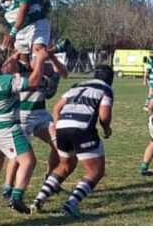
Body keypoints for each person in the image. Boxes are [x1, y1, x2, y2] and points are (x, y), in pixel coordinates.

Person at [0, 50, 57, 214]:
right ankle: (17, 198)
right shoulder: (7, 82)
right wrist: (40, 60)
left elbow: (2, 71)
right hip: (5, 128)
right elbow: (33, 82)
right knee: (28, 161)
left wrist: (13, 57)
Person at [30, 65, 114, 218]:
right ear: (110, 79)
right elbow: (104, 116)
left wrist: (57, 125)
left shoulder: (77, 85)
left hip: (62, 127)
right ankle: (71, 204)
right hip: (82, 129)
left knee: (65, 165)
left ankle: (38, 200)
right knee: (95, 171)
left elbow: (56, 108)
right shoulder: (106, 89)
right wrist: (107, 129)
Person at [1, 51, 68, 201]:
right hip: (22, 115)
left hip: (41, 114)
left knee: (59, 145)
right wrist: (14, 55)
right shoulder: (22, 69)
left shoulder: (48, 70)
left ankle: (51, 180)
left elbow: (64, 73)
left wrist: (52, 57)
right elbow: (5, 69)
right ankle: (8, 187)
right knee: (17, 155)